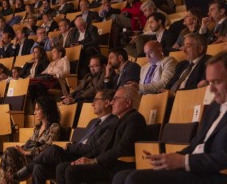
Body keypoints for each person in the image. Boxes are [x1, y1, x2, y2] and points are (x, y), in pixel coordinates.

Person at [113, 52, 227, 184]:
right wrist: (168, 158)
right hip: (195, 169)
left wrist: (184, 161)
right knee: (121, 177)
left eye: (216, 82)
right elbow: (196, 144)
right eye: (209, 82)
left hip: (214, 174)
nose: (211, 89)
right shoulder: (214, 106)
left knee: (134, 179)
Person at [59, 86, 148, 184]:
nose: (111, 102)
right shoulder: (120, 120)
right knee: (62, 167)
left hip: (118, 166)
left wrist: (95, 161)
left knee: (72, 171)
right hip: (108, 163)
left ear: (127, 103)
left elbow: (122, 148)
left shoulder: (135, 119)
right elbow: (102, 146)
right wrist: (86, 159)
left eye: (115, 99)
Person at [28, 90, 118, 183]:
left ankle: (28, 167)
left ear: (107, 103)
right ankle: (30, 166)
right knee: (39, 168)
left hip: (87, 157)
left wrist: (70, 147)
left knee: (53, 150)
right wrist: (72, 145)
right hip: (76, 154)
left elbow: (95, 147)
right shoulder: (93, 121)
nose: (92, 104)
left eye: (95, 100)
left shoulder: (113, 123)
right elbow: (83, 142)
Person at [0, 96, 61, 183]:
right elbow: (30, 143)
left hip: (39, 158)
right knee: (9, 153)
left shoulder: (54, 127)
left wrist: (27, 152)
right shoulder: (37, 128)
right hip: (28, 157)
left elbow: (49, 147)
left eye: (37, 109)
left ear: (46, 110)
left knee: (9, 154)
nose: (35, 112)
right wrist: (20, 149)